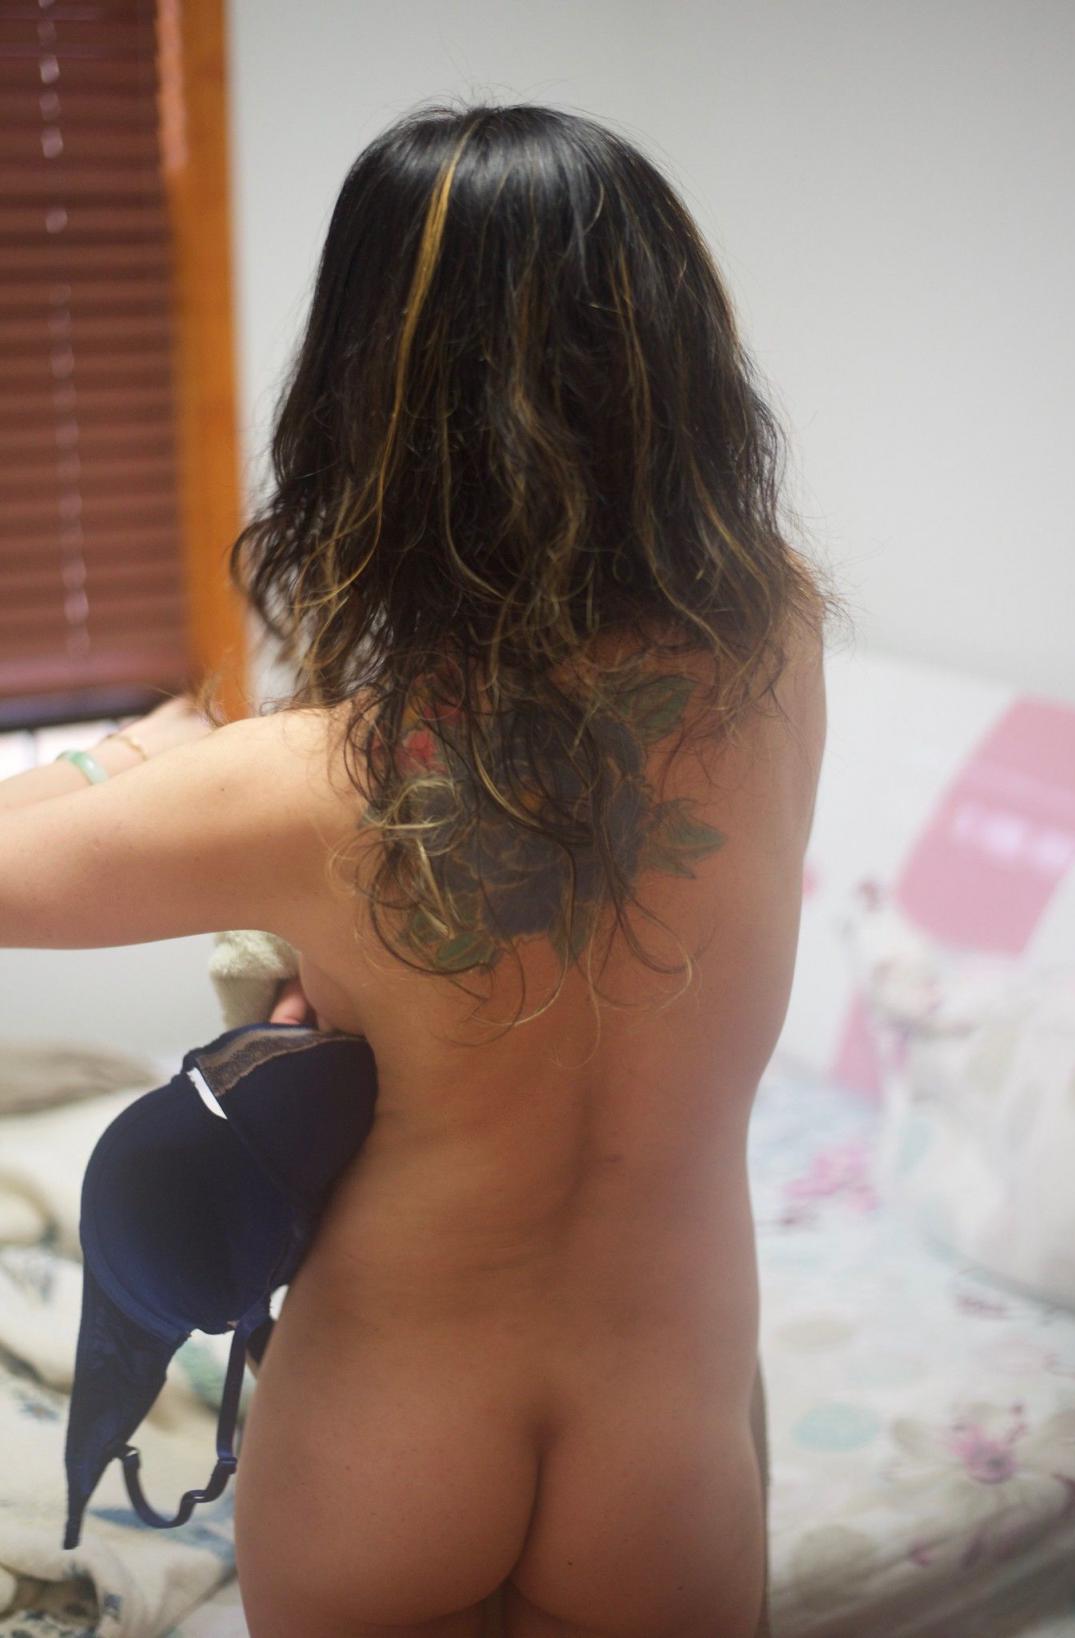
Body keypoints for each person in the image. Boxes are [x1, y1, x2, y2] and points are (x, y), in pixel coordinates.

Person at [1, 99, 846, 1637]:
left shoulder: (311, 782)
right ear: (674, 364)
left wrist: (133, 749)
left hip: (395, 1417)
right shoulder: (774, 643)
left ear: (371, 398)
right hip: (667, 1417)